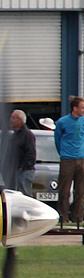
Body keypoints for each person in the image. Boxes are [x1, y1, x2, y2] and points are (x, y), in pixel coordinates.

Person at [56, 95, 84, 226]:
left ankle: (78, 217)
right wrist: (63, 153)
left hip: (81, 159)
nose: (83, 110)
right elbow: (57, 140)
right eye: (82, 107)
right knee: (64, 190)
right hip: (67, 159)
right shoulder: (62, 122)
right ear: (74, 108)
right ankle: (63, 216)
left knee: (80, 190)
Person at [0, 109, 36, 194]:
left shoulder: (28, 135)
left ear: (20, 120)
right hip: (14, 172)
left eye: (13, 118)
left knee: (24, 195)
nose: (10, 120)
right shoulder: (14, 136)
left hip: (24, 172)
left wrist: (22, 168)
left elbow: (31, 154)